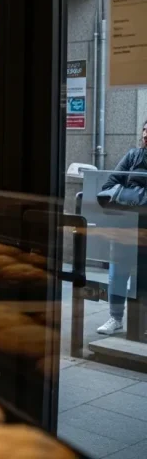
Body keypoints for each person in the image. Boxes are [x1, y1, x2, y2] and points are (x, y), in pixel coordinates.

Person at [96, 119, 147, 336]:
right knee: (118, 273)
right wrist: (140, 198)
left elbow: (118, 188)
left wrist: (127, 193)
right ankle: (115, 318)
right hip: (124, 225)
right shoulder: (133, 155)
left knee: (143, 275)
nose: (146, 135)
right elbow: (108, 186)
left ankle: (142, 322)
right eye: (145, 130)